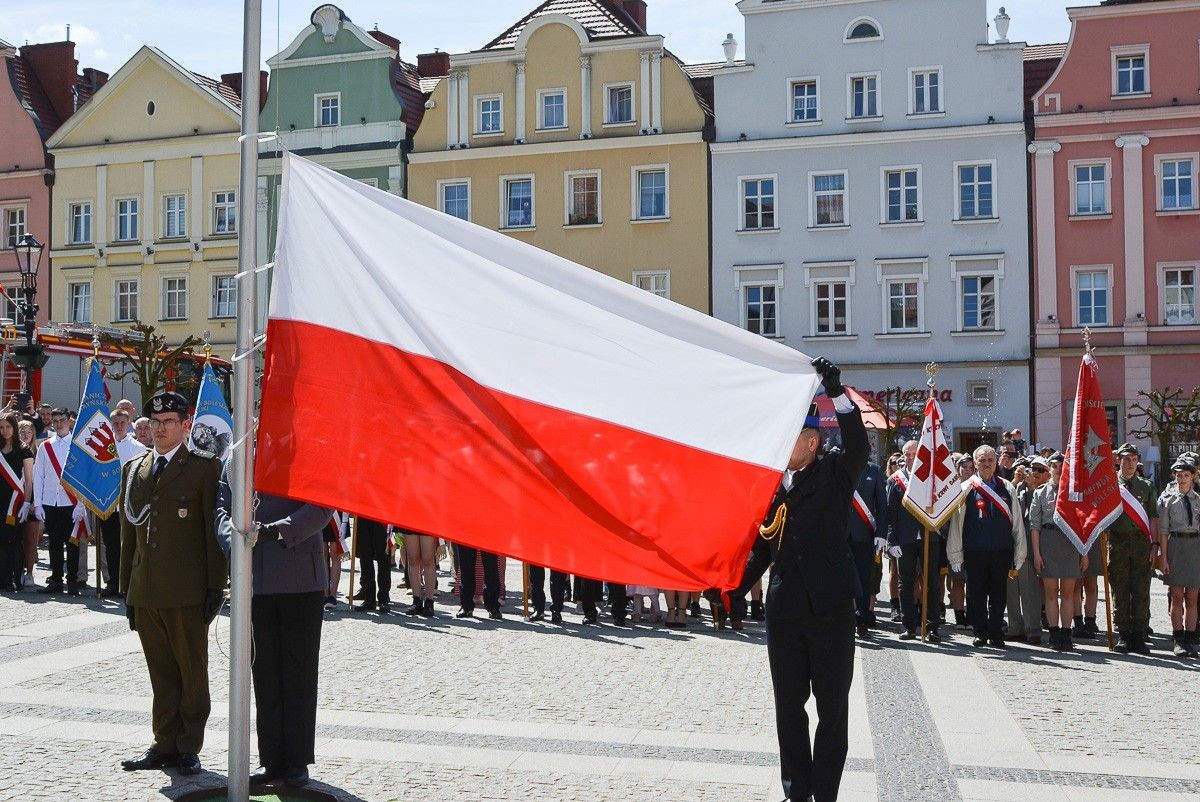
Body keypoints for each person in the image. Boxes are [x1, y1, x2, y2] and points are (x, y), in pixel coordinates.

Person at [728, 357, 866, 802]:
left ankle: (824, 793)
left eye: (791, 438)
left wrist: (836, 391)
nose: (782, 444)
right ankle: (796, 792)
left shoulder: (834, 472)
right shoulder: (775, 487)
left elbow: (859, 443)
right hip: (785, 610)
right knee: (789, 708)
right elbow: (764, 546)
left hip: (829, 610)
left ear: (811, 442)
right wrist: (730, 585)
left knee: (831, 710)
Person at [119, 391, 225, 775]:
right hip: (146, 587)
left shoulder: (203, 468)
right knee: (160, 671)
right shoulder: (135, 467)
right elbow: (128, 533)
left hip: (186, 589)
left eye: (168, 423)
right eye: (154, 423)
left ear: (185, 425)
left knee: (191, 670)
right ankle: (163, 742)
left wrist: (216, 585)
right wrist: (126, 590)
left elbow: (212, 531)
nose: (160, 429)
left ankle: (188, 745)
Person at [215, 472, 331, 789]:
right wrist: (234, 543)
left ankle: (296, 761)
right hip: (254, 577)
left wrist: (274, 532)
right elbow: (222, 509)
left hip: (299, 578)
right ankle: (272, 760)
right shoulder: (238, 453)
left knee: (298, 672)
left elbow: (320, 508)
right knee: (264, 673)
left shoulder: (306, 450)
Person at [947, 445, 1026, 649]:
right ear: (975, 464)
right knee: (976, 594)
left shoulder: (1007, 487)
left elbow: (1016, 523)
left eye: (990, 460)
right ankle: (980, 632)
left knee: (999, 594)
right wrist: (955, 555)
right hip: (975, 551)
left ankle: (996, 632)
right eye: (982, 460)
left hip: (1002, 550)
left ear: (996, 461)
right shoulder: (966, 489)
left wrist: (1020, 553)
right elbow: (957, 524)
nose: (987, 464)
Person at [886, 440, 944, 642]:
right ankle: (909, 626)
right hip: (905, 538)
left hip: (929, 534)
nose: (910, 458)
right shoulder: (895, 480)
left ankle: (932, 627)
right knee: (906, 583)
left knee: (931, 583)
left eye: (914, 454)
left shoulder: (932, 478)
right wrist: (891, 541)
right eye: (907, 455)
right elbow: (890, 513)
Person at [1028, 453, 1086, 652]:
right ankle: (1053, 633)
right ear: (1049, 469)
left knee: (1068, 593)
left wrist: (1083, 552)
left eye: (1062, 467)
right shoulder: (1040, 493)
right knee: (1051, 593)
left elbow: (1082, 526)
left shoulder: (1075, 493)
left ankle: (1066, 634)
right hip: (1048, 541)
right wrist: (1036, 553)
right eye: (1054, 466)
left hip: (1070, 542)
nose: (1058, 470)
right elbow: (1034, 526)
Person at [1108, 444, 1158, 654]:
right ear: (1118, 460)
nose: (1129, 463)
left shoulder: (1146, 487)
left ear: (1138, 461)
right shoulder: (1110, 485)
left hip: (1140, 543)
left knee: (1141, 588)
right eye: (1125, 459)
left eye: (1133, 459)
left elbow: (1153, 516)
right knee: (1119, 588)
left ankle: (1139, 634)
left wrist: (1154, 544)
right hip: (1117, 541)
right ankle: (1123, 633)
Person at [97, 407, 148, 597]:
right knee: (110, 545)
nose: (119, 427)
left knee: (129, 545)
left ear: (129, 424)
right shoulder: (103, 448)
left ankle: (128, 583)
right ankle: (113, 582)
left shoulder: (139, 448)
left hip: (129, 505)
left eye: (122, 423)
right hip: (109, 504)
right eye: (115, 423)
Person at [33, 408, 83, 596]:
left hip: (71, 502)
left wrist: (81, 504)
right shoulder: (45, 446)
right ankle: (55, 579)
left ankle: (72, 581)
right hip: (50, 501)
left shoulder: (78, 445)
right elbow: (39, 475)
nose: (59, 424)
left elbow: (83, 477)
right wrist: (38, 503)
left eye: (62, 420)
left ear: (70, 421)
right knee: (54, 543)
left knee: (72, 543)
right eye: (56, 420)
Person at [1158, 456, 1200, 657]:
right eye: (1179, 475)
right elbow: (1163, 532)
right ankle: (1178, 638)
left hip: (1195, 547)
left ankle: (1190, 639)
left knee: (1192, 597)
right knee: (1177, 597)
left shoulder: (1199, 500)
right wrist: (1164, 558)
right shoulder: (1167, 501)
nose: (1182, 479)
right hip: (1175, 546)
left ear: (1193, 476)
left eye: (1186, 475)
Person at [1007, 456, 1046, 645]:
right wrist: (1016, 481)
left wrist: (1031, 490)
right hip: (1014, 543)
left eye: (1039, 470)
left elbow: (1032, 516)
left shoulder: (1043, 491)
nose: (1035, 474)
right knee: (1011, 589)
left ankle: (1033, 628)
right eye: (1032, 470)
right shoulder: (1018, 488)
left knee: (1030, 589)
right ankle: (1015, 627)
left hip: (1031, 546)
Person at [849, 458, 887, 638]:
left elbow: (882, 505)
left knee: (863, 579)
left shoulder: (874, 471)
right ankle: (844, 620)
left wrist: (881, 533)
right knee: (841, 579)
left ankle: (862, 619)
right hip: (840, 536)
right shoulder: (840, 465)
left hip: (864, 536)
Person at [0, 413, 34, 591]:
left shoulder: (24, 450)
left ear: (14, 428)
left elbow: (28, 480)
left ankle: (15, 578)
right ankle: (2, 578)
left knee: (14, 541)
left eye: (8, 427)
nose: (5, 431)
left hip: (15, 502)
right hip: (0, 501)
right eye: (2, 427)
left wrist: (27, 503)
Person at [16, 419, 39, 588]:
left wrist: (35, 503)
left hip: (33, 501)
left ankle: (29, 572)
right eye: (22, 431)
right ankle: (17, 571)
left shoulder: (40, 453)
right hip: (14, 501)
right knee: (16, 539)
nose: (25, 435)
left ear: (33, 434)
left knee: (31, 540)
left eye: (28, 432)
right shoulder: (13, 452)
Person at [353, 516, 392, 613]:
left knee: (383, 557)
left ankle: (383, 599)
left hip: (382, 515)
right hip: (363, 513)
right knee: (365, 557)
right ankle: (369, 599)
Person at [455, 543, 501, 619]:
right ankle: (466, 606)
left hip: (489, 533)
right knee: (466, 566)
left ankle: (493, 607)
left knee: (491, 567)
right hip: (466, 532)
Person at [402, 530, 438, 617]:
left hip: (428, 521)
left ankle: (429, 602)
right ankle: (416, 601)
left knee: (428, 559)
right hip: (410, 521)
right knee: (412, 559)